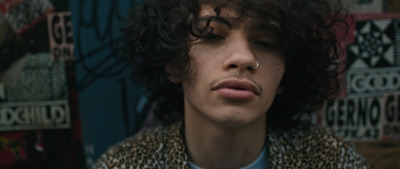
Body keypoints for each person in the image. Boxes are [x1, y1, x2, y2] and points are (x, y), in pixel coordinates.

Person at [94, 0, 370, 168]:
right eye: (212, 35)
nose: (243, 58)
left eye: (265, 42)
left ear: (287, 72)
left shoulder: (333, 162)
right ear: (174, 63)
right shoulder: (124, 165)